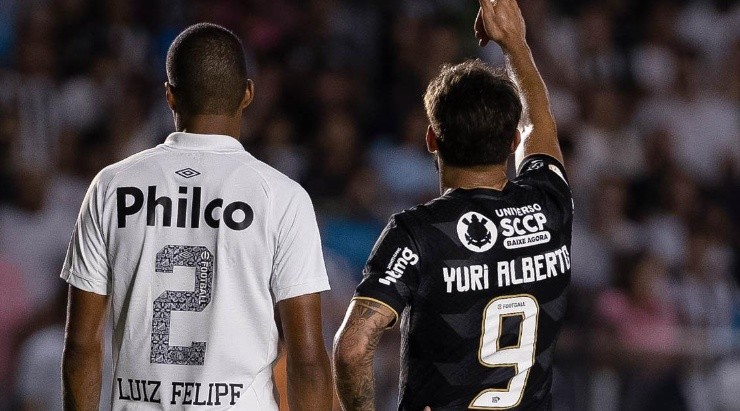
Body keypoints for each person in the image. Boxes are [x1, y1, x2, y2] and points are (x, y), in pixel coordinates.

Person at [61, 23, 332, 410]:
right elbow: (307, 358)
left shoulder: (112, 186)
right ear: (248, 94)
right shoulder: (282, 197)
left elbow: (82, 344)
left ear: (170, 96)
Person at [333, 0, 573, 409]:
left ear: (432, 139)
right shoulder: (551, 206)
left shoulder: (418, 233)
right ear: (512, 142)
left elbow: (353, 348)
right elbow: (539, 123)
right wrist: (515, 44)